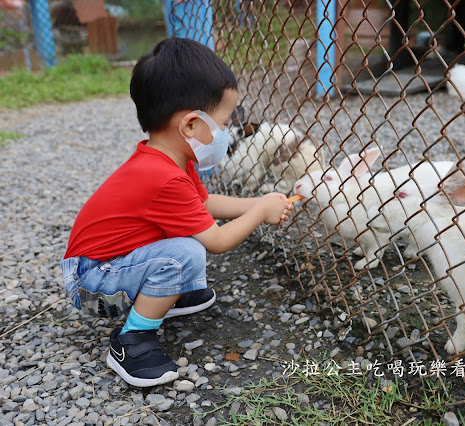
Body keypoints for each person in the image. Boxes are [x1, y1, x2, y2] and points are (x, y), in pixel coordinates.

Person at [60, 38, 293, 387]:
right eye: (223, 123)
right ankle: (131, 341)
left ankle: (164, 294)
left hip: (104, 265)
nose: (227, 134)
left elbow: (203, 203)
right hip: (91, 282)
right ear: (189, 126)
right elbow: (217, 240)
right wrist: (259, 211)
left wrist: (261, 201)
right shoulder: (164, 177)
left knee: (186, 244)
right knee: (185, 252)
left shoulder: (170, 160)